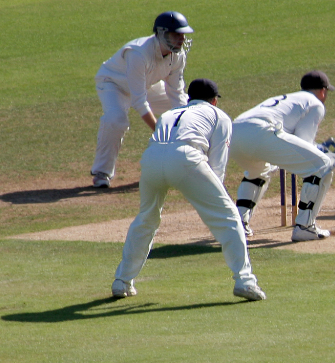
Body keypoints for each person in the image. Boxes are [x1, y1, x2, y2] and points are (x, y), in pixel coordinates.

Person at [112, 79, 265, 301]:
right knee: (230, 216)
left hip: (152, 157)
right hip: (186, 156)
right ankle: (245, 280)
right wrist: (211, 195)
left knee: (146, 218)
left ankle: (122, 281)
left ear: (189, 98)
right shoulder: (218, 115)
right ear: (214, 100)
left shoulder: (170, 113)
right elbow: (217, 166)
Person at [231, 71, 335, 242]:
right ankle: (305, 227)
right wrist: (329, 156)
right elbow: (304, 140)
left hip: (234, 132)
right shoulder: (316, 104)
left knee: (258, 171)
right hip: (261, 130)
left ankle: (238, 225)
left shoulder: (292, 98)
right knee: (322, 165)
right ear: (323, 91)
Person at [90, 11, 195, 188]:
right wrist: (162, 136)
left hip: (147, 85)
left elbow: (177, 95)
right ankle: (102, 172)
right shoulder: (138, 53)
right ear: (161, 33)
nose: (182, 39)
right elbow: (139, 102)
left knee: (189, 112)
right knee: (116, 120)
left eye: (183, 34)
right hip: (114, 85)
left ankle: (193, 161)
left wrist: (184, 127)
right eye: (176, 34)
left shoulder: (178, 55)